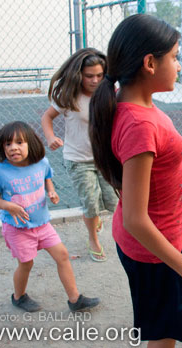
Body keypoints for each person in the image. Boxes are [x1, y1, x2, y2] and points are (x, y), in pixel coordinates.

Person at [89, 14, 182, 346]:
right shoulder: (138, 124)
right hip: (152, 247)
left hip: (164, 235)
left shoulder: (128, 104)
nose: (179, 66)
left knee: (176, 301)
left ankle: (170, 303)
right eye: (175, 57)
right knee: (163, 335)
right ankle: (167, 310)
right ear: (150, 63)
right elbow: (137, 220)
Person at [0, 121, 100, 312]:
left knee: (62, 255)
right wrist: (9, 206)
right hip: (18, 228)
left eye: (19, 142)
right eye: (8, 144)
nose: (13, 147)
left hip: (42, 224)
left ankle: (75, 300)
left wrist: (52, 191)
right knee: (26, 263)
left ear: (30, 143)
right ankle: (19, 297)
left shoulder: (41, 163)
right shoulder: (0, 171)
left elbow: (47, 177)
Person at [41, 48, 118, 262]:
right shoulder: (69, 97)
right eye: (89, 76)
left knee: (113, 202)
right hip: (78, 159)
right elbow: (47, 117)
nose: (94, 80)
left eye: (99, 75)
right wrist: (50, 138)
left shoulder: (110, 92)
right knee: (91, 203)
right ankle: (93, 238)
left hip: (104, 159)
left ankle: (95, 221)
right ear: (79, 75)